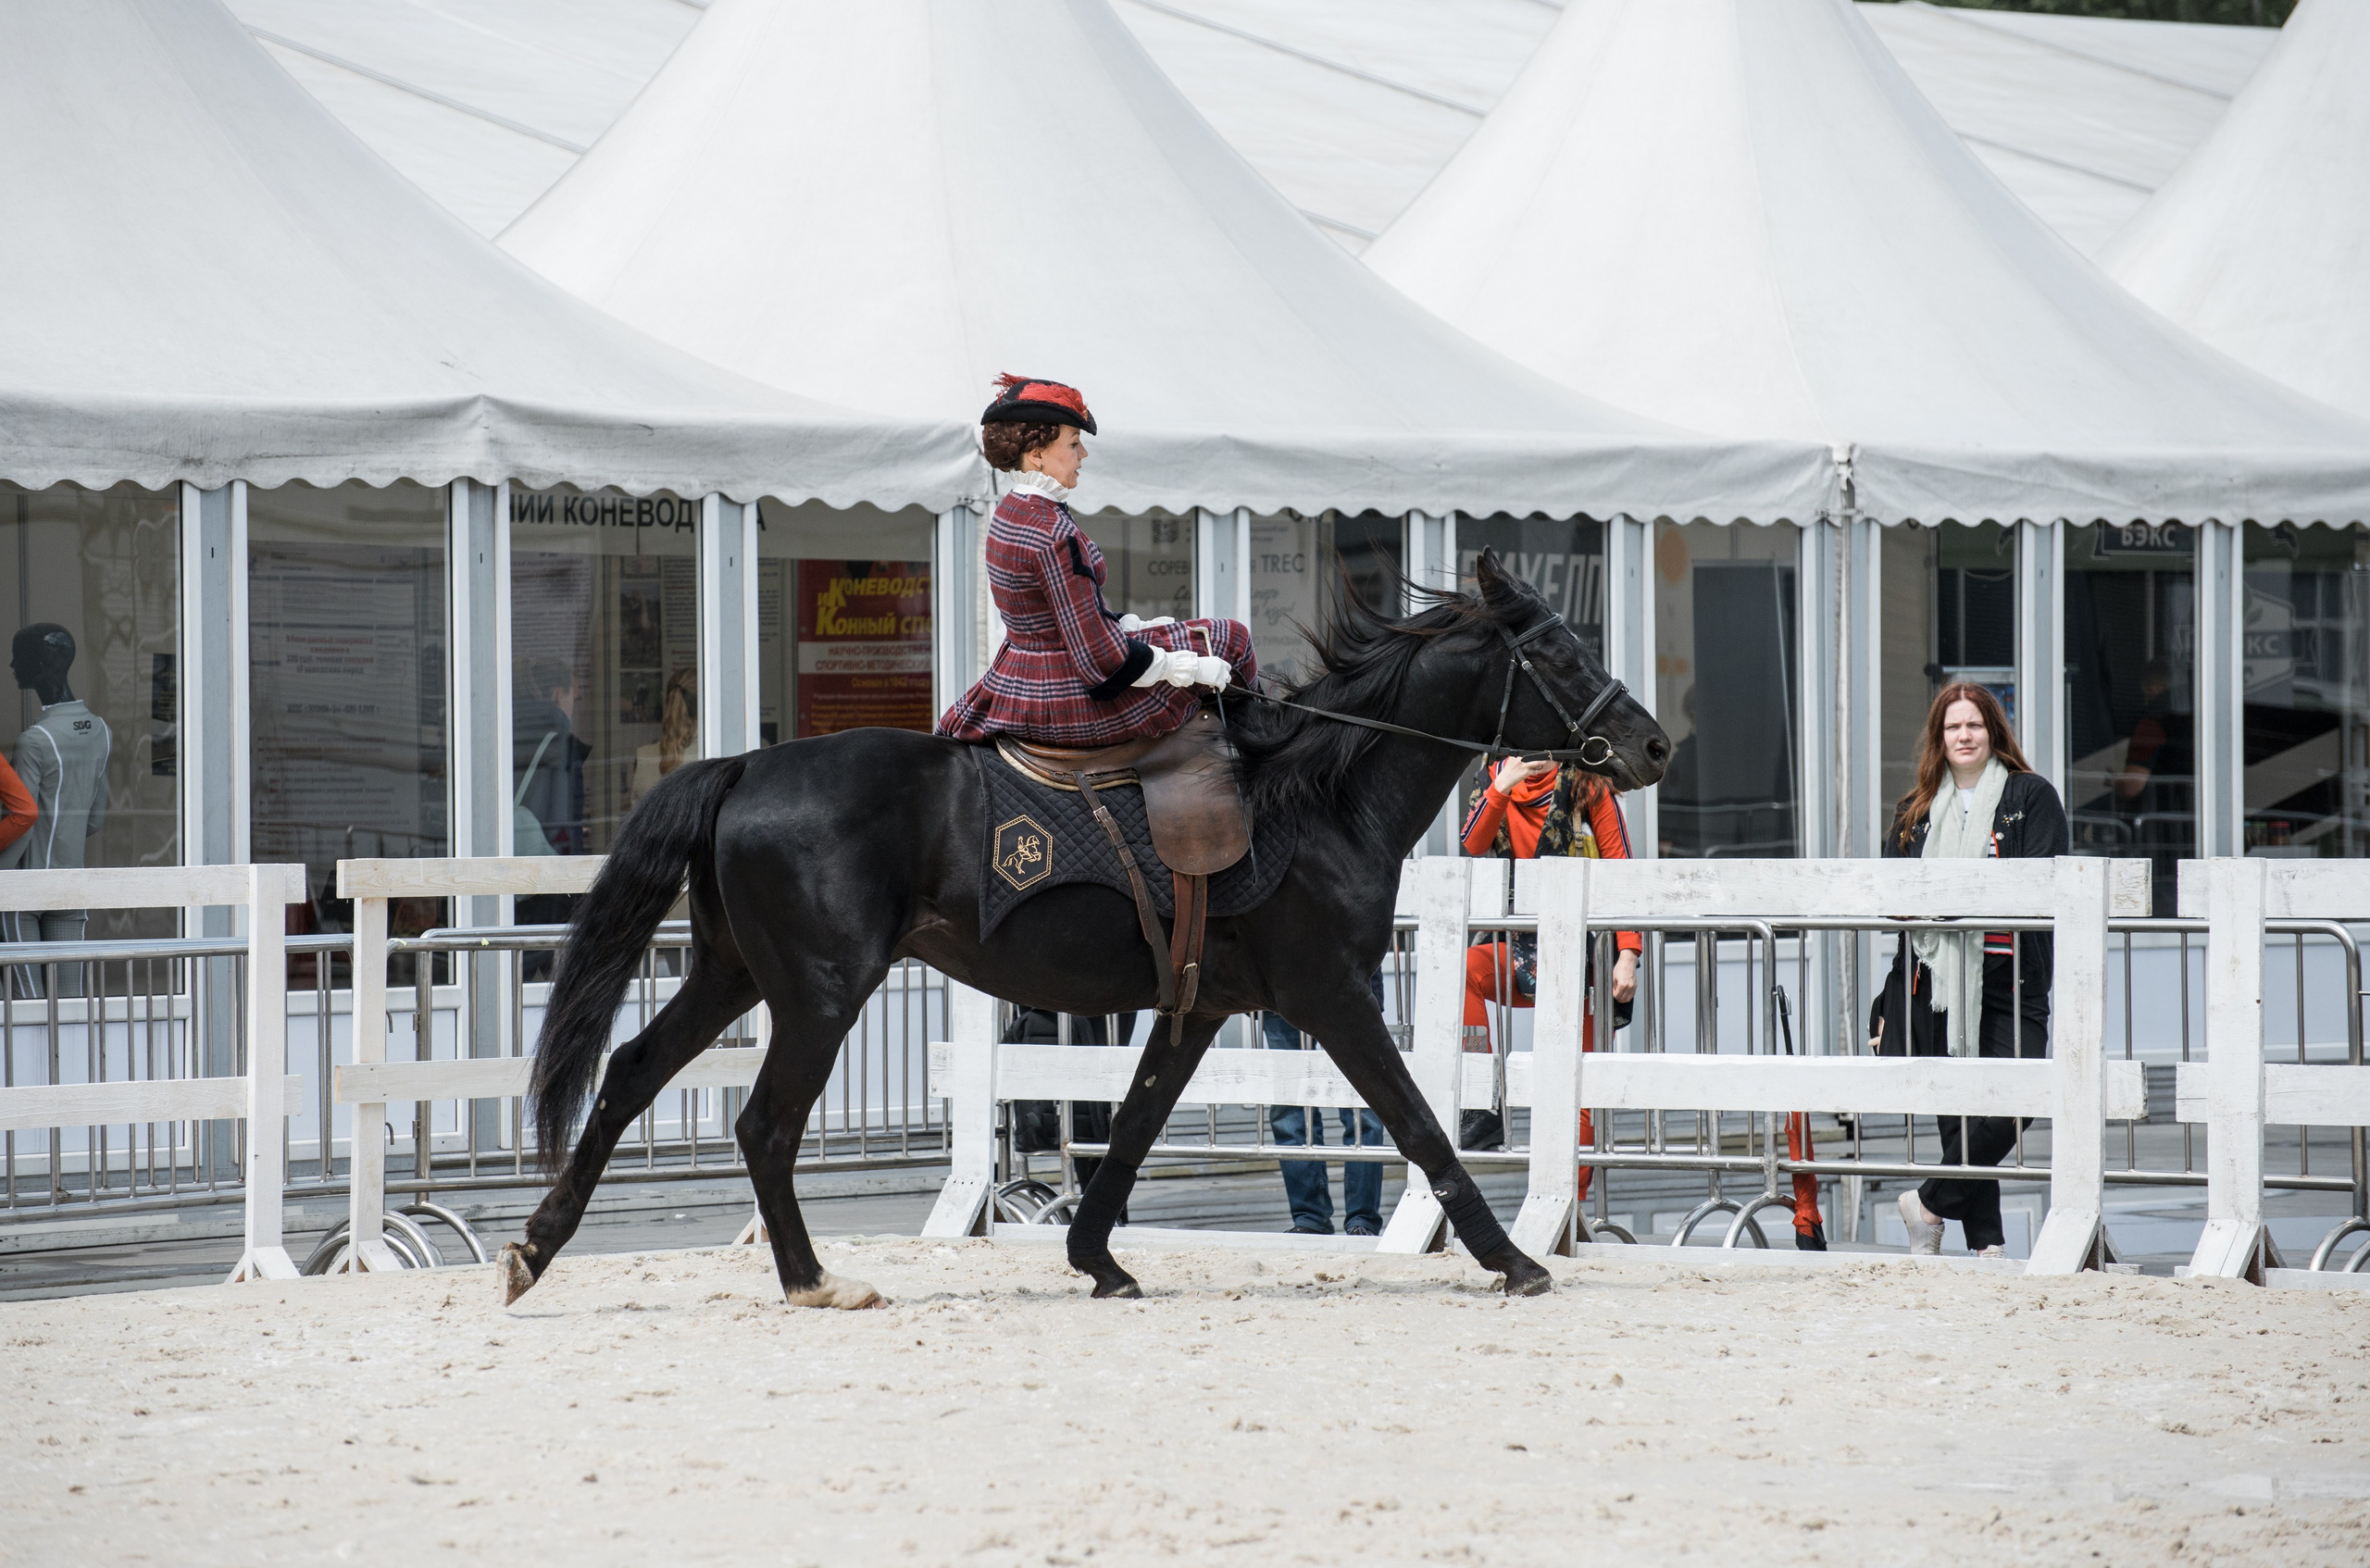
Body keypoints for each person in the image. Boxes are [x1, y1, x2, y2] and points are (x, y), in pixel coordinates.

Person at [937, 375, 1254, 746]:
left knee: (1205, 634)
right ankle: (1256, 765)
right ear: (1037, 454)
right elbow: (1101, 659)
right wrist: (1188, 666)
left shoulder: (1013, 509)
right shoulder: (1052, 532)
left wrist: (1133, 625)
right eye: (1073, 444)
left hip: (1022, 673)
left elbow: (1063, 617)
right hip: (1060, 692)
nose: (1082, 455)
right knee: (1230, 639)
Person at [1874, 682, 2069, 1259]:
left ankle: (1929, 1203)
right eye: (1953, 726)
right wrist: (1887, 1007)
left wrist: (1950, 899)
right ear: (1939, 737)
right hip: (1936, 986)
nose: (1964, 735)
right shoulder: (1913, 813)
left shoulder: (2030, 796)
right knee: (1962, 1117)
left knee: (2019, 1099)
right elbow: (1901, 910)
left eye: (1975, 725)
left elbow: (2038, 882)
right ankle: (1986, 1245)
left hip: (2013, 981)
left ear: (1994, 733)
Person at [1458, 755, 1640, 1202]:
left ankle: (1570, 1205)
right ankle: (1480, 1103)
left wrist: (1628, 954)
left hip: (1583, 955)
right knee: (1465, 970)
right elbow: (1473, 845)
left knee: (1574, 1085)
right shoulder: (1492, 777)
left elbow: (1622, 869)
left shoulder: (1589, 784)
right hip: (1518, 946)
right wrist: (1502, 787)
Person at [3, 626, 110, 994]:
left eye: (20, 656)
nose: (12, 664)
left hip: (24, 890)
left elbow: (22, 820)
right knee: (70, 1007)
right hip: (70, 884)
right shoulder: (100, 731)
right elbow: (94, 818)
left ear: (42, 662)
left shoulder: (34, 740)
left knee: (28, 1008)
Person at [1263, 975, 1389, 1237]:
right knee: (1291, 1108)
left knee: (1360, 1107)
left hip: (1346, 985)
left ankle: (1356, 1218)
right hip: (1278, 990)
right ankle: (1313, 1217)